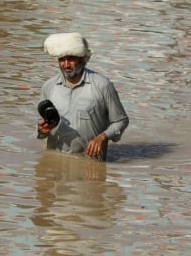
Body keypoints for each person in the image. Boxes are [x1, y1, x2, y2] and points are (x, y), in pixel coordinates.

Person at [36, 32, 129, 161]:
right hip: (55, 165)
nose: (66, 64)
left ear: (82, 58)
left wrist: (102, 137)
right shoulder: (49, 87)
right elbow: (42, 131)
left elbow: (121, 121)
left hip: (91, 166)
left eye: (71, 58)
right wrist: (42, 131)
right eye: (62, 59)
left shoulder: (103, 85)